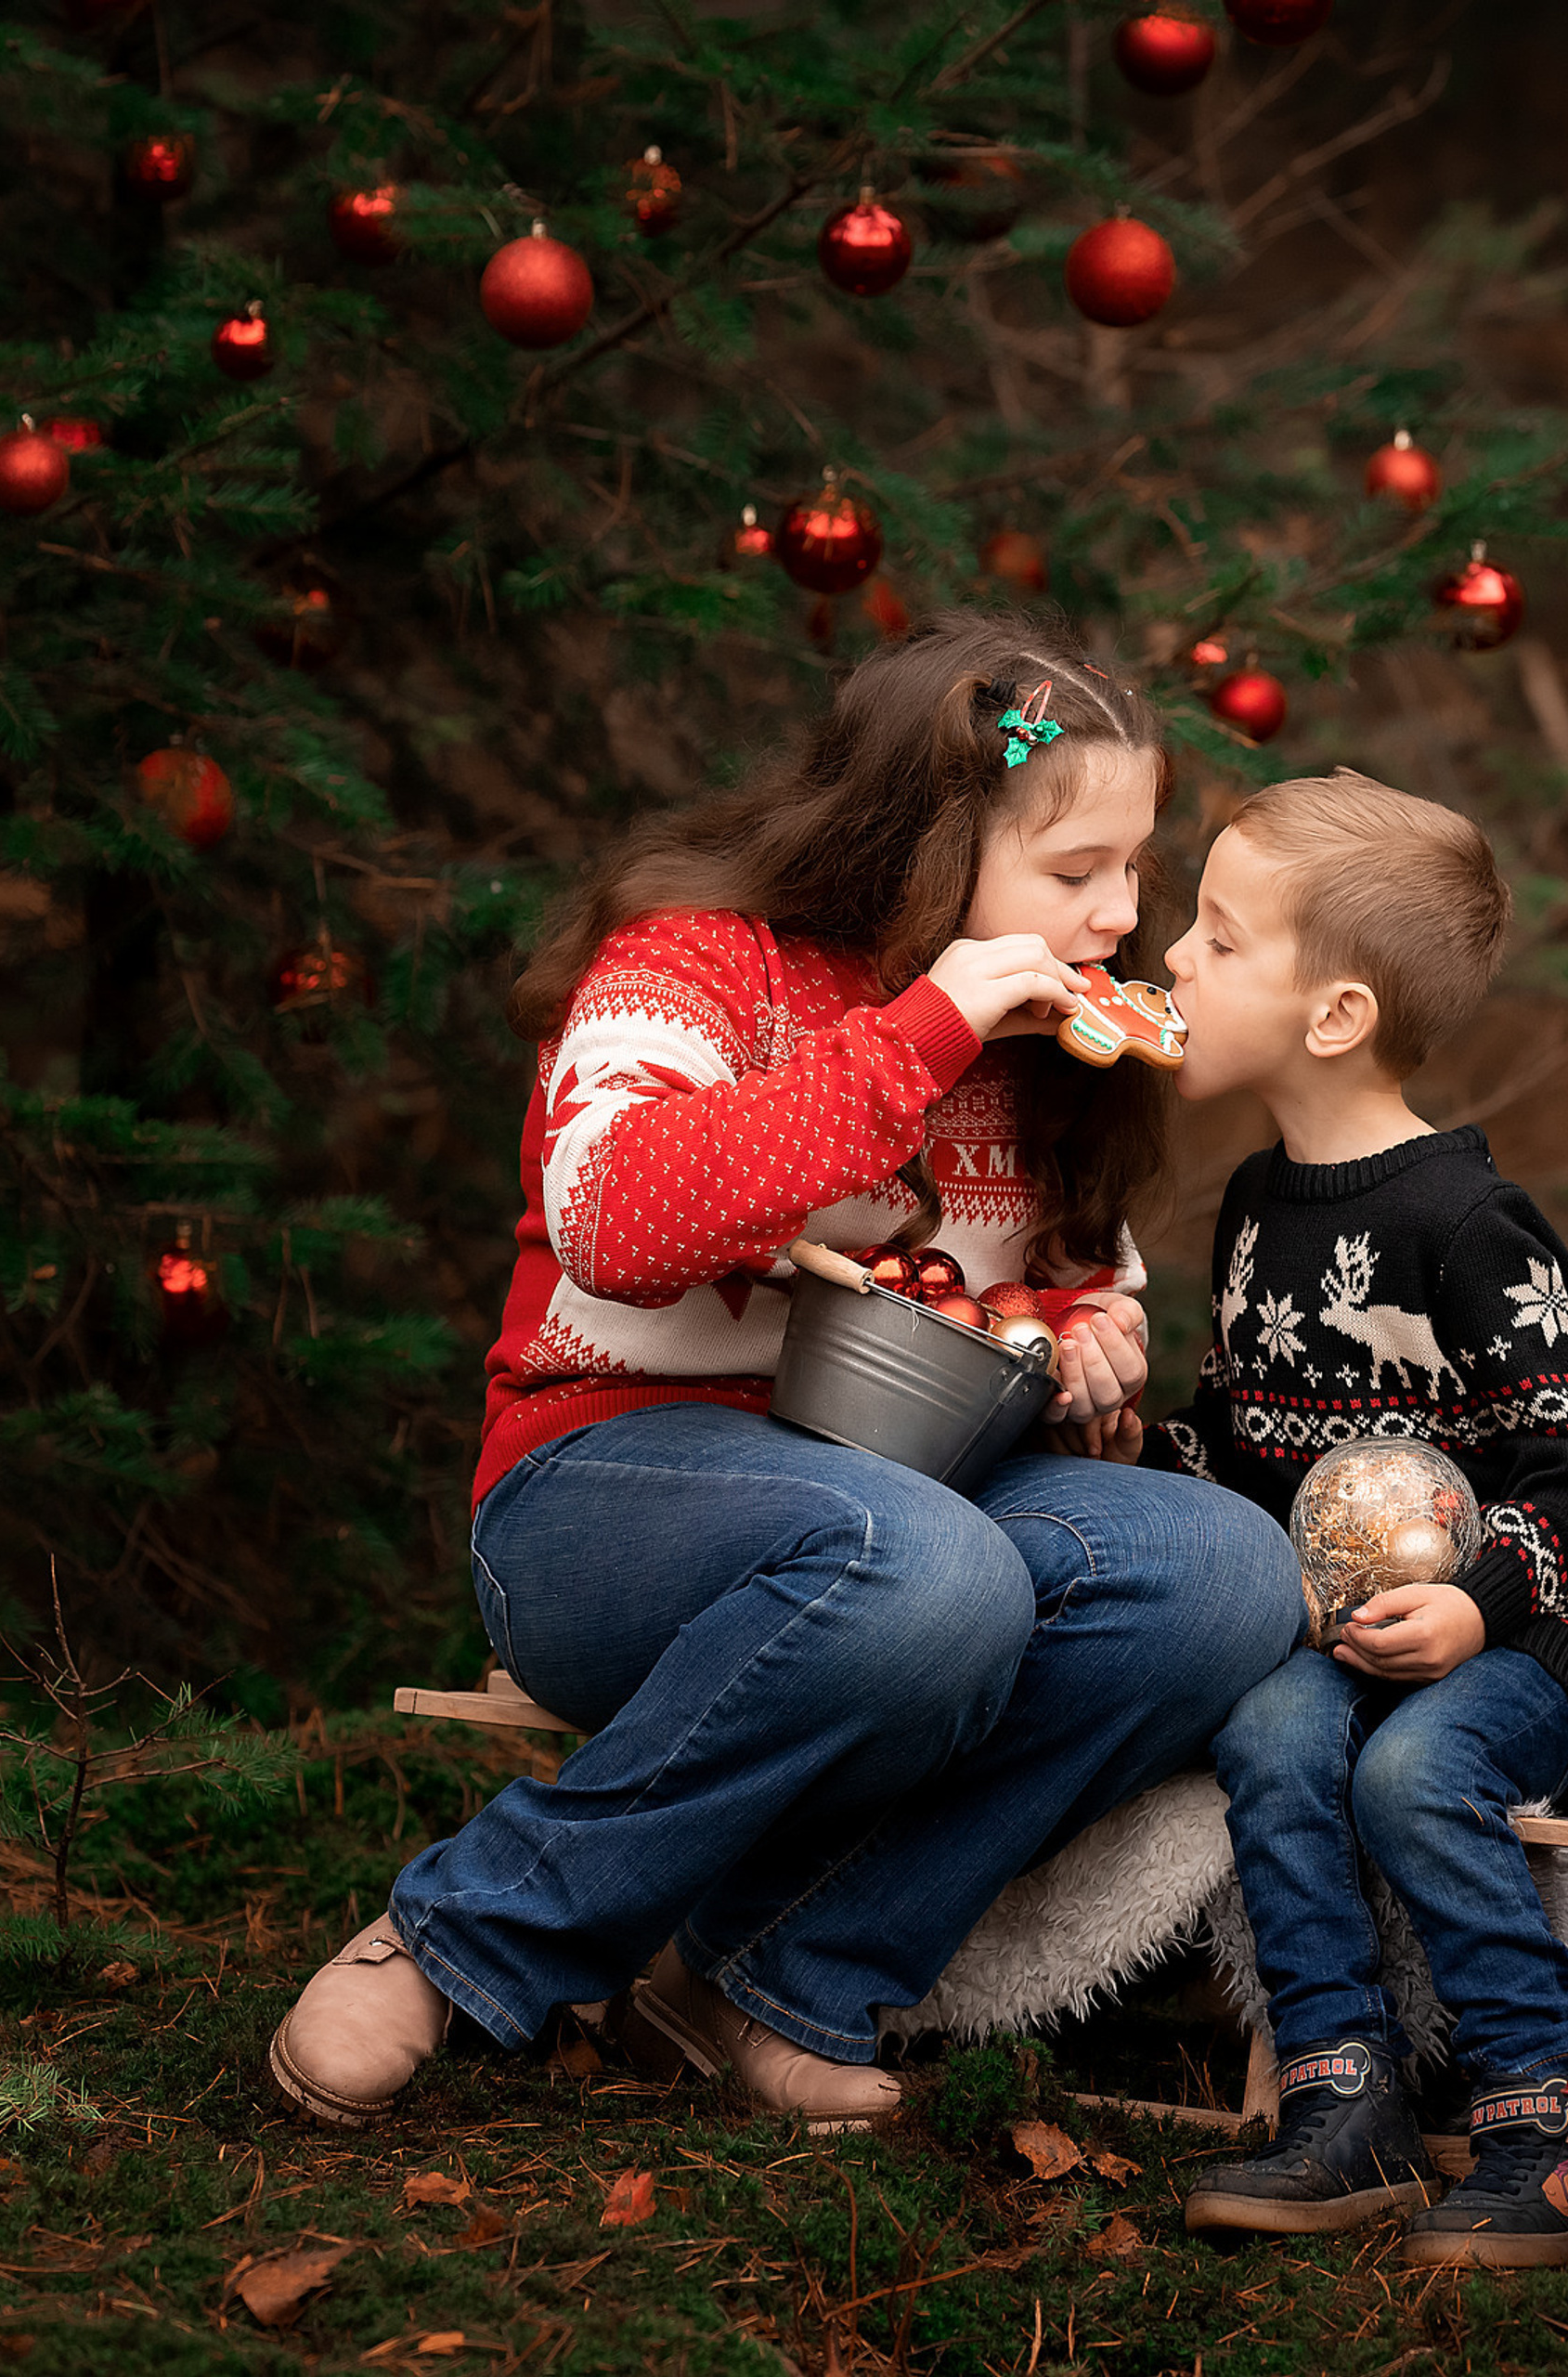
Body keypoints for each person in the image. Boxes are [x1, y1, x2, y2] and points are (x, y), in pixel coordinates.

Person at [267, 613, 1303, 2131]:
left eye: (1133, 867)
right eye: (1072, 871)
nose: (1116, 915)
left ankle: (772, 1974)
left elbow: (1046, 1299)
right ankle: (462, 1938)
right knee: (923, 1564)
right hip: (602, 1492)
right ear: (924, 844)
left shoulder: (1061, 1050)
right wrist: (922, 1032)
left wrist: (1086, 1351)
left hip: (912, 1510)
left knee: (1220, 1571)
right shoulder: (691, 963)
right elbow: (616, 1220)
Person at [1098, 771, 1568, 2268]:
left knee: (1412, 1775)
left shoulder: (1471, 1230)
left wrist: (1482, 1604)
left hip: (1534, 1629)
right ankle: (1346, 2103)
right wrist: (1127, 1448)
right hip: (1342, 1626)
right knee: (1272, 1736)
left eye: (1216, 938)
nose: (1173, 963)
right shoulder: (1259, 1209)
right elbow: (1242, 1448)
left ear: (1332, 1014)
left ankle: (1541, 2120)